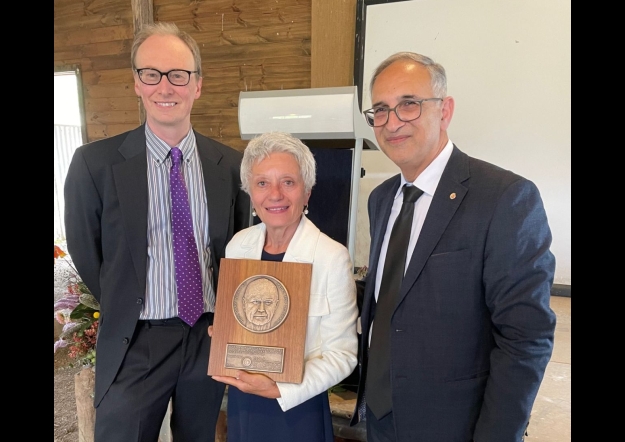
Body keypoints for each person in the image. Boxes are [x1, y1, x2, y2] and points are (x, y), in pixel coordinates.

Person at [350, 51, 557, 441]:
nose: (392, 123)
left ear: (444, 111)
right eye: (380, 110)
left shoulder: (504, 198)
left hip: (454, 427)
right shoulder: (381, 199)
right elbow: (395, 300)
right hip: (379, 418)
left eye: (408, 105)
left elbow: (525, 338)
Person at [63, 22, 250, 442]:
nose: (165, 87)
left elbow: (237, 248)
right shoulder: (95, 164)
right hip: (136, 339)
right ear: (136, 83)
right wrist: (125, 297)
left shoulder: (231, 166)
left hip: (207, 336)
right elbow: (87, 250)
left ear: (197, 84)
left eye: (178, 75)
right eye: (152, 74)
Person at [210, 131, 359, 442]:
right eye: (262, 183)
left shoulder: (331, 256)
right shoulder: (238, 246)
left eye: (288, 182)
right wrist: (224, 332)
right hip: (243, 401)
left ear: (307, 192)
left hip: (297, 408)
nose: (275, 194)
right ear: (250, 192)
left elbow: (343, 355)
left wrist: (280, 388)